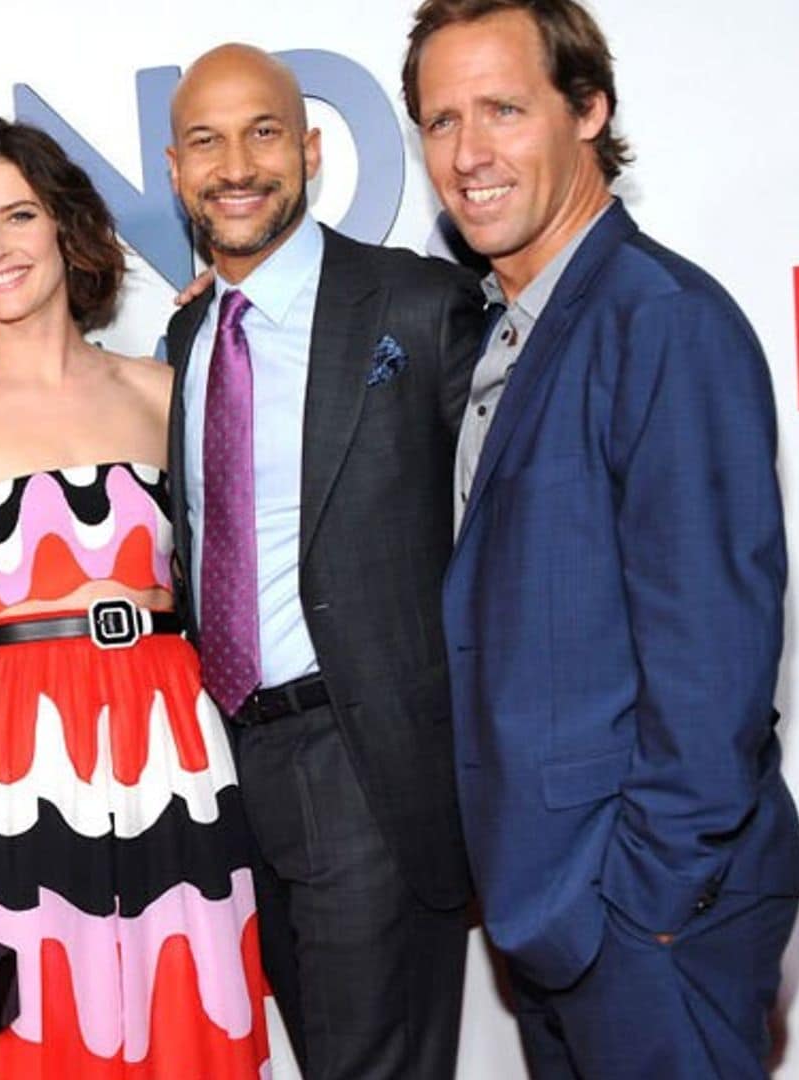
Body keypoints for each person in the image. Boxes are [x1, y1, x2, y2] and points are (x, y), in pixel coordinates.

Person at [403, 2, 799, 1075]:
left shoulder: (660, 319)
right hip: (554, 912)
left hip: (645, 919)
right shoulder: (503, 330)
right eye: (442, 121)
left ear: (588, 109)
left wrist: (644, 901)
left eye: (504, 109)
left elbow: (715, 656)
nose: (470, 153)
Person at [0, 116, 269, 1078]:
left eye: (17, 215)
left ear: (65, 226)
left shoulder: (164, 389)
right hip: (15, 774)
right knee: (41, 1042)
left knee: (198, 1026)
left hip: (173, 752)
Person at [160, 44, 486, 1078]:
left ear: (308, 149)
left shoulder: (418, 307)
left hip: (367, 761)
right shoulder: (186, 341)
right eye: (206, 143)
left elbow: (505, 548)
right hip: (224, 775)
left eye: (263, 133)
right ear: (174, 173)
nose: (236, 166)